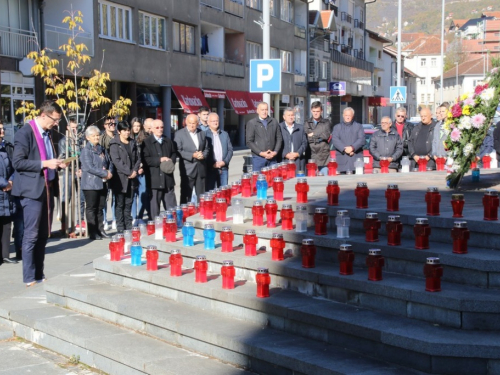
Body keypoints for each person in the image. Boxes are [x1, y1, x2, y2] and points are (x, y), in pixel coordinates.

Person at [12, 100, 67, 286]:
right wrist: (45, 164)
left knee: (44, 234)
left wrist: (58, 164)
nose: (56, 124)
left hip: (47, 188)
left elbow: (48, 159)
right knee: (31, 235)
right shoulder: (25, 132)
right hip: (31, 191)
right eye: (55, 119)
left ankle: (39, 274)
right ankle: (29, 277)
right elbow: (18, 162)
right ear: (44, 115)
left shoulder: (48, 133)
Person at [80, 126, 113, 240]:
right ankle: (93, 231)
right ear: (88, 137)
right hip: (90, 183)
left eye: (97, 135)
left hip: (102, 182)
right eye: (93, 136)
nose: (96, 137)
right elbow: (89, 167)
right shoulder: (86, 150)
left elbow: (109, 161)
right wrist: (104, 173)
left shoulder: (101, 149)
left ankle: (101, 229)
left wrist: (110, 171)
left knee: (101, 207)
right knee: (91, 208)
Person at [109, 121, 140, 232]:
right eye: (124, 130)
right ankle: (120, 227)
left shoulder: (132, 142)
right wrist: (129, 172)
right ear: (119, 131)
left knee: (129, 203)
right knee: (120, 204)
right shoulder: (114, 144)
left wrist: (135, 171)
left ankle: (128, 226)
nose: (127, 132)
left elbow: (137, 158)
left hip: (132, 178)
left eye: (128, 130)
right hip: (120, 179)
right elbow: (116, 161)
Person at [143, 119, 177, 219]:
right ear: (152, 129)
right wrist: (160, 160)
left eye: (161, 127)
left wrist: (170, 162)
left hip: (168, 179)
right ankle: (155, 228)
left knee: (171, 206)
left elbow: (174, 153)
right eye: (157, 127)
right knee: (154, 208)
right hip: (155, 180)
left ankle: (172, 225)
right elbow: (145, 159)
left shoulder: (168, 141)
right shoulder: (147, 142)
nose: (160, 129)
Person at [58, 118, 85, 233]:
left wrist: (81, 169)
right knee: (67, 197)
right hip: (68, 172)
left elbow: (84, 156)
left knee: (81, 198)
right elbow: (63, 157)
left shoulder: (81, 141)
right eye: (72, 128)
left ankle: (81, 221)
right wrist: (71, 166)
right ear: (67, 128)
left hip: (79, 172)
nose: (74, 130)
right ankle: (64, 222)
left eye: (76, 128)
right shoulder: (63, 141)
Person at [175, 114, 209, 204]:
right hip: (188, 169)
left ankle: (201, 213)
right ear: (186, 122)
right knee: (186, 196)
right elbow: (178, 150)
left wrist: (203, 155)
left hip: (200, 168)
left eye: (194, 123)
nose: (192, 125)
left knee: (201, 196)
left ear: (198, 123)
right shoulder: (179, 134)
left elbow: (206, 148)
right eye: (189, 123)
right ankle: (184, 215)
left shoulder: (201, 133)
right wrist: (192, 155)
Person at [245, 102, 282, 172]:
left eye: (266, 109)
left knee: (272, 181)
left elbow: (279, 138)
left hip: (272, 158)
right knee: (259, 180)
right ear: (257, 110)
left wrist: (275, 152)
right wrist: (261, 153)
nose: (264, 112)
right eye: (262, 110)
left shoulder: (274, 122)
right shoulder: (252, 123)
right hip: (258, 159)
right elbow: (249, 141)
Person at [330, 107, 365, 173]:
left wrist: (352, 148)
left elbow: (362, 139)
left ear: (353, 116)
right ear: (343, 115)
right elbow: (335, 140)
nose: (347, 117)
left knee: (358, 180)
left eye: (349, 115)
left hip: (356, 158)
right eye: (346, 115)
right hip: (342, 159)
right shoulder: (337, 127)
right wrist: (345, 149)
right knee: (343, 182)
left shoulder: (359, 126)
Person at [0, 121, 16, 264]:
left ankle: (5, 255)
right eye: (0, 130)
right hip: (2, 188)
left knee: (6, 223)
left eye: (3, 129)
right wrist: (4, 184)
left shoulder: (6, 148)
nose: (2, 132)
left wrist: (11, 181)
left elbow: (13, 168)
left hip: (7, 191)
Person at [205, 113, 233, 190]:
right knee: (211, 193)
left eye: (216, 120)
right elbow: (204, 152)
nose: (215, 122)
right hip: (210, 169)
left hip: (223, 168)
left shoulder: (225, 134)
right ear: (208, 122)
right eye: (213, 121)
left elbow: (230, 150)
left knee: (223, 192)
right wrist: (212, 164)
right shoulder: (204, 135)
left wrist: (224, 162)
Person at [130, 117, 150, 224]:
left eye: (138, 126)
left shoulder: (145, 138)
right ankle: (134, 216)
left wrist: (142, 167)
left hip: (142, 170)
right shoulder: (128, 138)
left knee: (142, 194)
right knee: (133, 194)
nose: (136, 128)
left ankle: (140, 216)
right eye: (134, 126)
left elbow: (147, 154)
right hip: (132, 170)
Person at [304, 101, 332, 174]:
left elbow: (326, 135)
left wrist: (313, 133)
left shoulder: (326, 122)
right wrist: (320, 135)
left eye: (317, 111)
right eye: (314, 111)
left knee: (324, 180)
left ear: (321, 111)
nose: (315, 113)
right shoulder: (307, 123)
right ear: (311, 111)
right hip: (311, 154)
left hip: (323, 156)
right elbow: (307, 137)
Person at [100, 117, 117, 230]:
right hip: (105, 170)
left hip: (117, 170)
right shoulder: (101, 138)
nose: (112, 125)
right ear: (105, 125)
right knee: (104, 196)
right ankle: (104, 219)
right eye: (109, 123)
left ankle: (115, 219)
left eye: (114, 123)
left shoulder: (118, 136)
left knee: (115, 196)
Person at [279, 107, 307, 171]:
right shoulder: (279, 128)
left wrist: (297, 153)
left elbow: (304, 143)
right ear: (284, 117)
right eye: (288, 115)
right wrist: (285, 154)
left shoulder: (300, 128)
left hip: (297, 161)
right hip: (284, 161)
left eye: (292, 115)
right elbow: (277, 143)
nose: (291, 117)